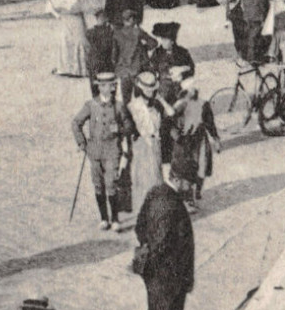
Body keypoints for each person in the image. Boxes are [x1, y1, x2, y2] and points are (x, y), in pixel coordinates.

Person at [133, 179, 195, 310]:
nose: (191, 188)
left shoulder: (156, 192)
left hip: (158, 279)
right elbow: (161, 245)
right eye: (189, 183)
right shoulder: (171, 206)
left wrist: (145, 248)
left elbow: (139, 226)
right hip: (169, 280)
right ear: (178, 179)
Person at [73, 72, 135, 233]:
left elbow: (129, 126)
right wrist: (82, 142)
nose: (112, 88)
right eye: (108, 85)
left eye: (113, 85)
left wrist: (120, 129)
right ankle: (104, 218)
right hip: (94, 151)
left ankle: (115, 219)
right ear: (100, 87)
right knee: (98, 185)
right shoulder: (91, 105)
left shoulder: (119, 106)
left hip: (113, 150)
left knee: (111, 184)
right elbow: (76, 122)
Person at [168, 81, 218, 211]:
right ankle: (186, 199)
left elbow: (210, 123)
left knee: (201, 166)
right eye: (190, 90)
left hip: (199, 139)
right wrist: (176, 136)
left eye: (195, 90)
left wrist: (216, 139)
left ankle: (196, 192)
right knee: (183, 170)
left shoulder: (203, 104)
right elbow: (169, 123)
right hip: (184, 142)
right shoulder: (179, 106)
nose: (193, 93)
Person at [128, 73, 168, 203]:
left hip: (155, 143)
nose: (150, 93)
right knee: (145, 180)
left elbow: (171, 113)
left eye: (152, 90)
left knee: (157, 178)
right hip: (142, 145)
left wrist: (161, 99)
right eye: (147, 90)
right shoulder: (134, 106)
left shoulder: (156, 105)